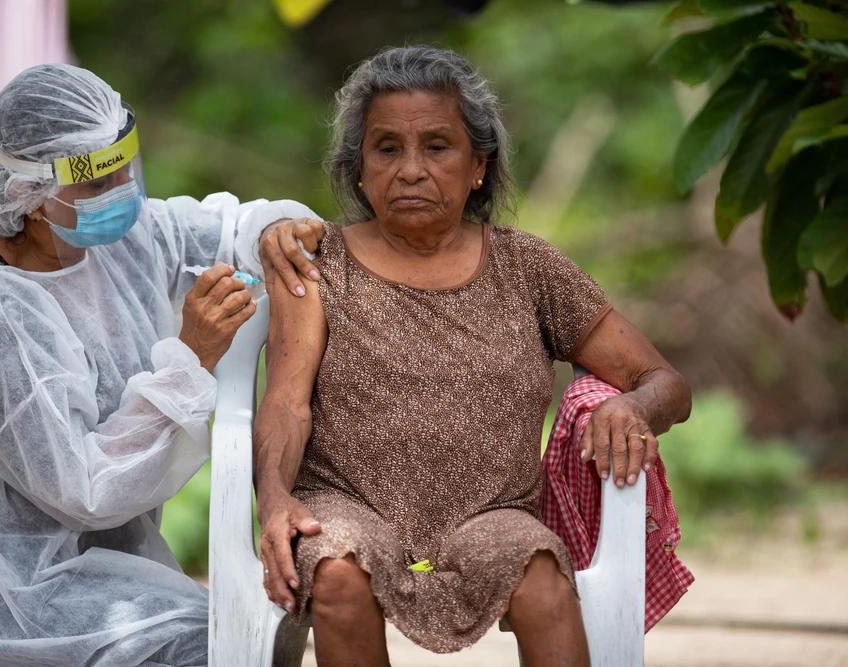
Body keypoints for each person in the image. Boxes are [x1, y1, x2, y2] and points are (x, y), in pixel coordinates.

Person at [253, 46, 692, 667]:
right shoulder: (319, 265)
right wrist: (274, 501)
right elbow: (287, 405)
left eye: (437, 146)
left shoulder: (528, 268)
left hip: (490, 513)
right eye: (386, 149)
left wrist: (636, 406)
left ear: (478, 164)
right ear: (358, 169)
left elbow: (664, 380)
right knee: (336, 571)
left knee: (541, 579)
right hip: (346, 504)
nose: (410, 169)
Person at [0, 63, 325, 667]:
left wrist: (275, 229)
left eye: (125, 165)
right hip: (12, 596)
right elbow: (86, 490)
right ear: (26, 195)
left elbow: (231, 228)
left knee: (233, 645)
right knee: (209, 651)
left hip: (111, 569)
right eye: (99, 183)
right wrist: (191, 358)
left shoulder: (116, 242)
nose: (125, 189)